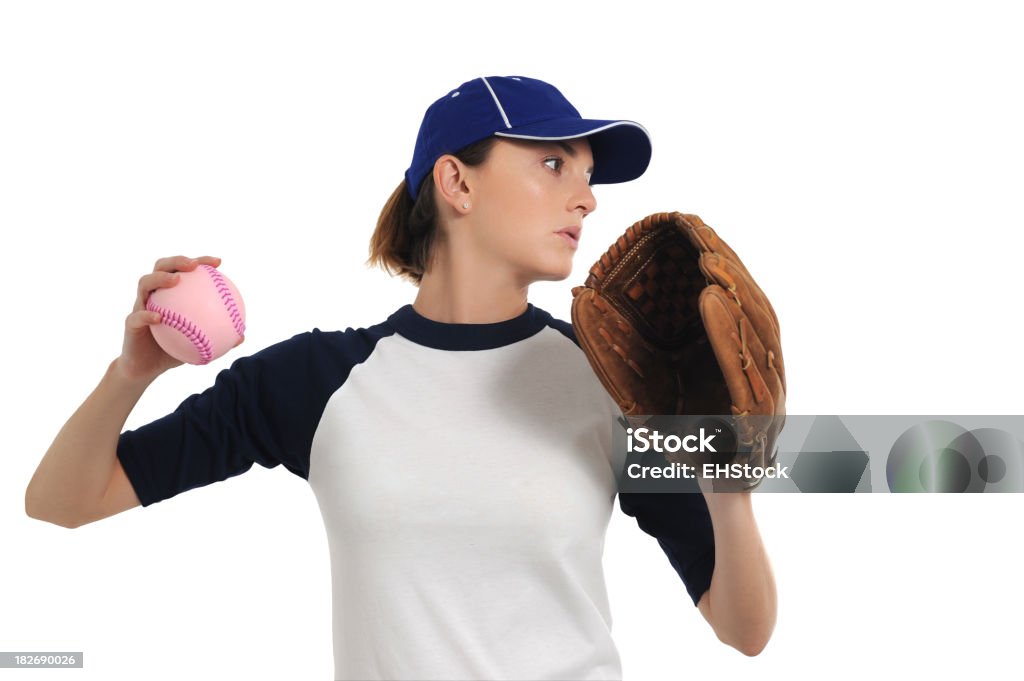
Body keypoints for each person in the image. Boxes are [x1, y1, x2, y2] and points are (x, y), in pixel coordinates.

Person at [25, 75, 776, 680]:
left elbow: (744, 629)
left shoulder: (614, 382)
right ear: (457, 182)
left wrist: (728, 480)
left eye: (586, 174)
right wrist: (132, 372)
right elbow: (61, 500)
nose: (586, 196)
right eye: (553, 164)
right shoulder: (317, 382)